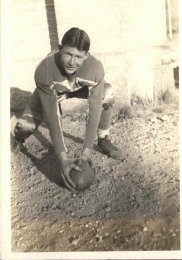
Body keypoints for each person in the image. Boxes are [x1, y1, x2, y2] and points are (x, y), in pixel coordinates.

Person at [13, 27, 124, 191]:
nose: (72, 62)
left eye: (78, 56)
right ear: (59, 49)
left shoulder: (95, 69)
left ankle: (103, 139)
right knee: (27, 124)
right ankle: (15, 138)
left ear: (86, 56)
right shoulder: (44, 70)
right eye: (68, 54)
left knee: (107, 92)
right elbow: (53, 117)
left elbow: (94, 112)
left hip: (79, 88)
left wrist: (86, 152)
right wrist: (63, 158)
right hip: (54, 91)